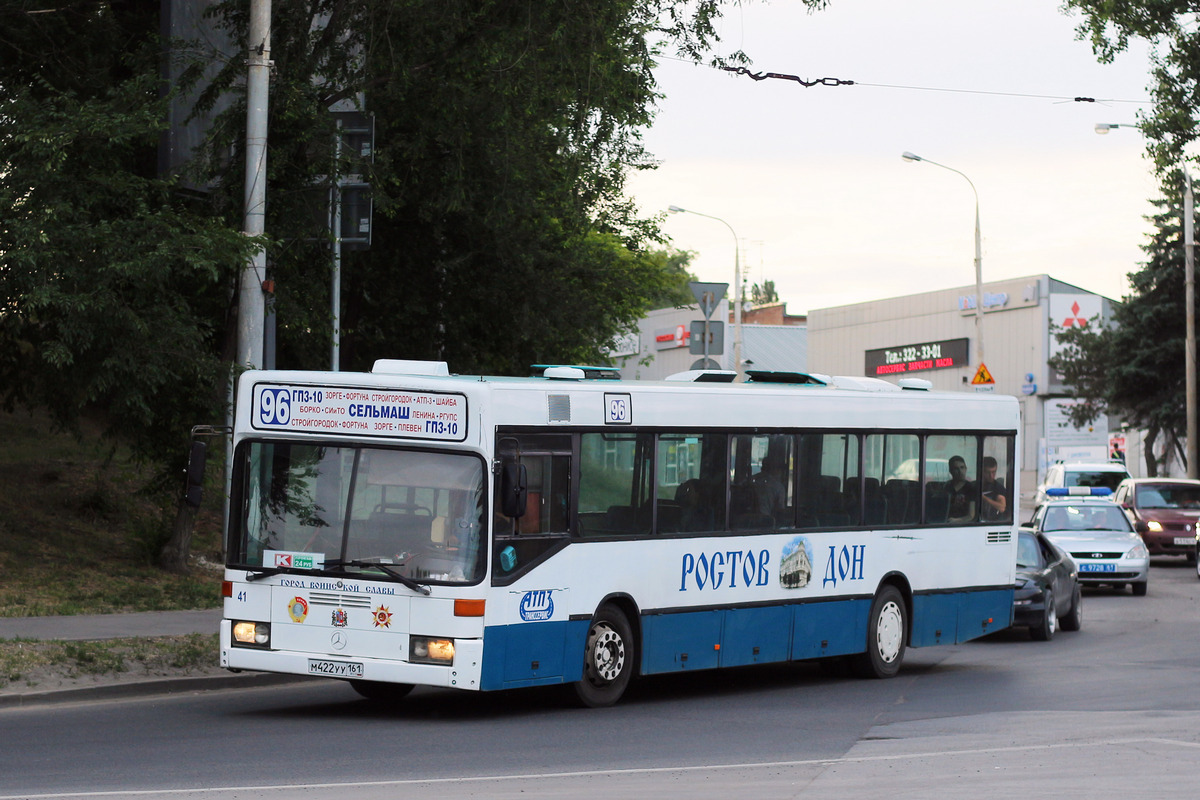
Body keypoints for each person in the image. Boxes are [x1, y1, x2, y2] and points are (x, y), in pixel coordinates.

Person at [944, 455, 976, 523]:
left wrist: (957, 521)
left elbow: (971, 515)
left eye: (962, 467)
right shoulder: (947, 486)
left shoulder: (971, 488)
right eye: (956, 468)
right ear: (950, 471)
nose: (960, 471)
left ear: (966, 468)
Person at [980, 456, 1008, 521]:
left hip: (992, 521)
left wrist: (984, 498)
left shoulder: (998, 487)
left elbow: (1002, 507)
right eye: (988, 472)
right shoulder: (976, 485)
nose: (991, 476)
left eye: (993, 472)